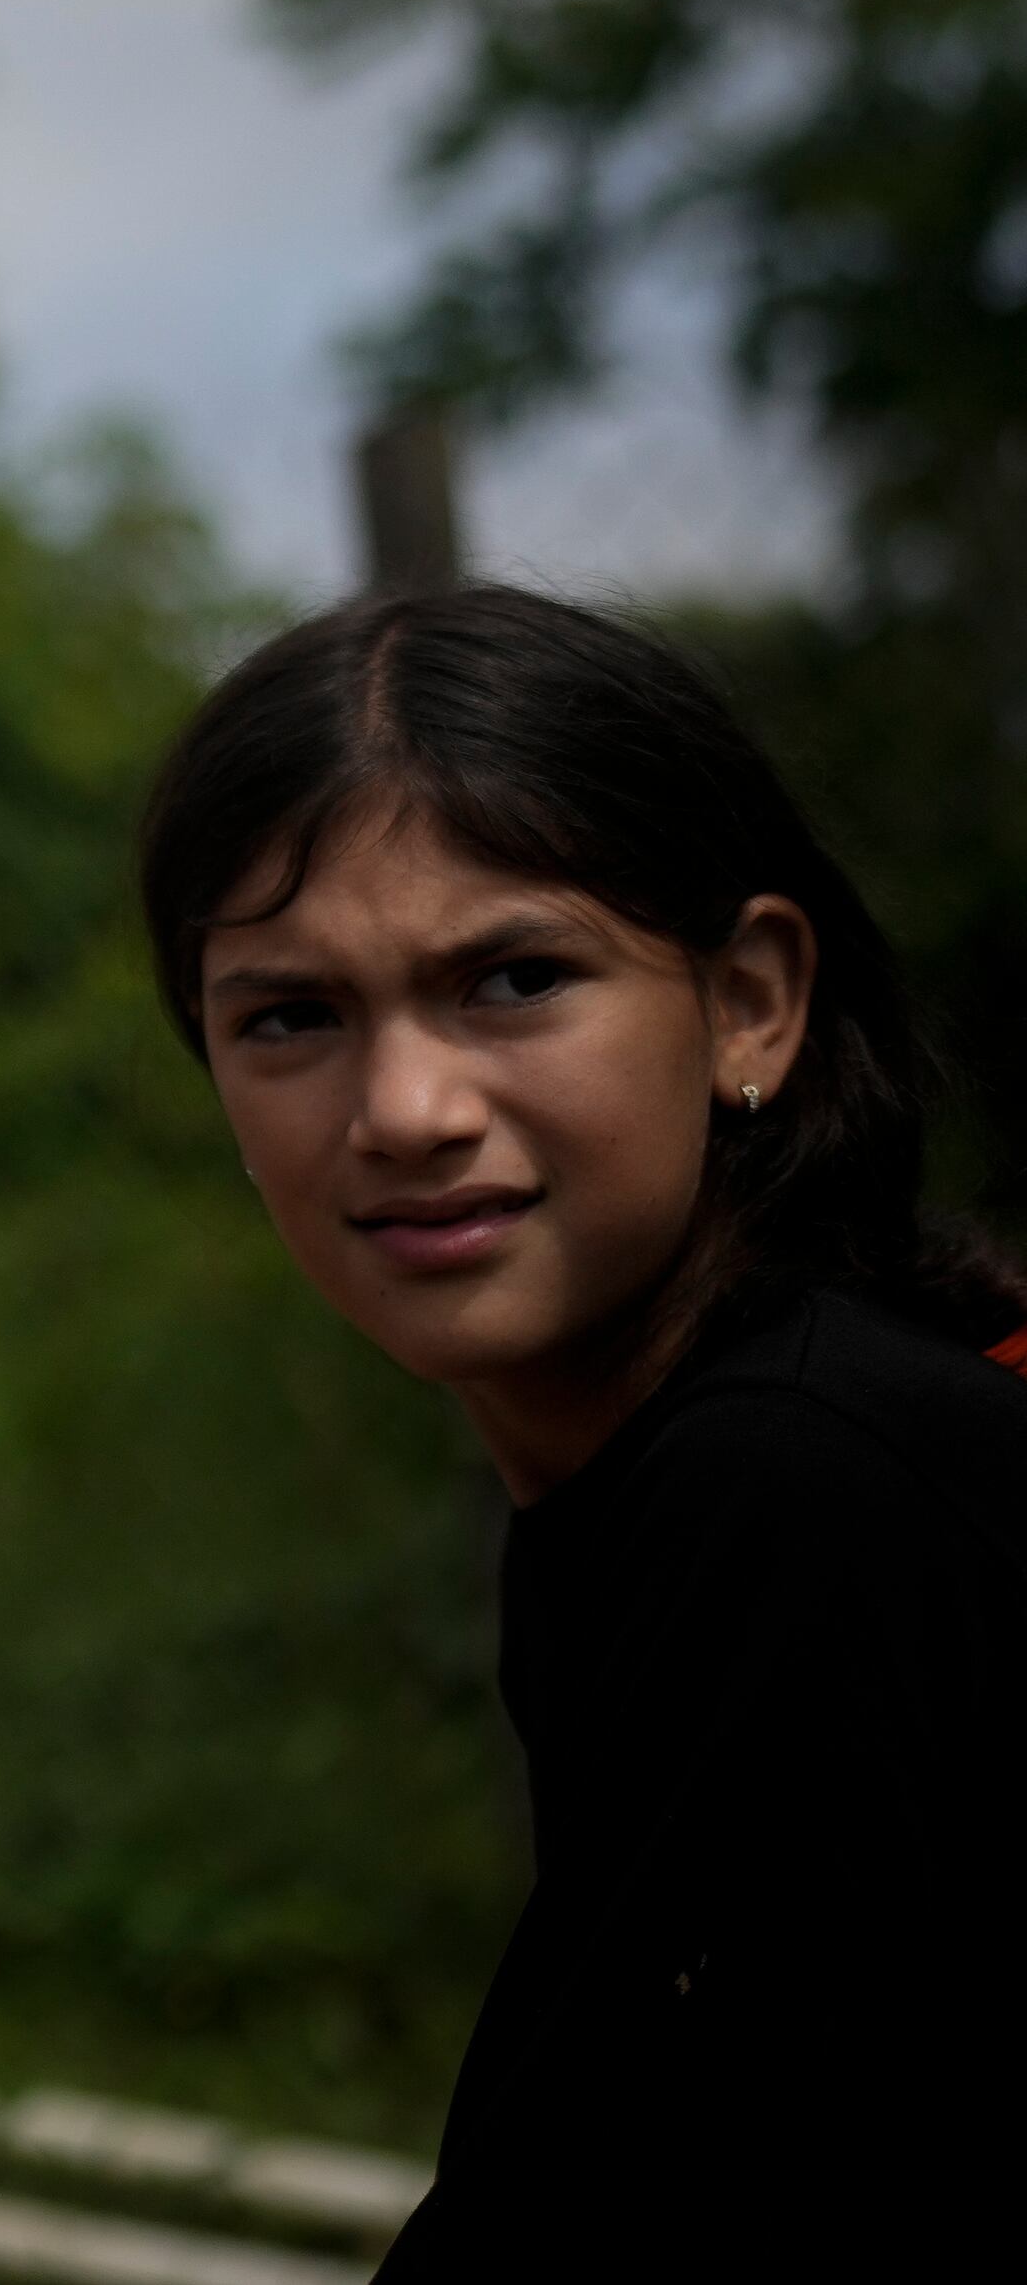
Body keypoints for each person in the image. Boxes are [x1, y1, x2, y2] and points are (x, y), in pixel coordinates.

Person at [136, 584, 1027, 2274]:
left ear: (752, 1001)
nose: (406, 1110)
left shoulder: (803, 1478)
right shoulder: (728, 1442)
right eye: (289, 1015)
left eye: (517, 976)